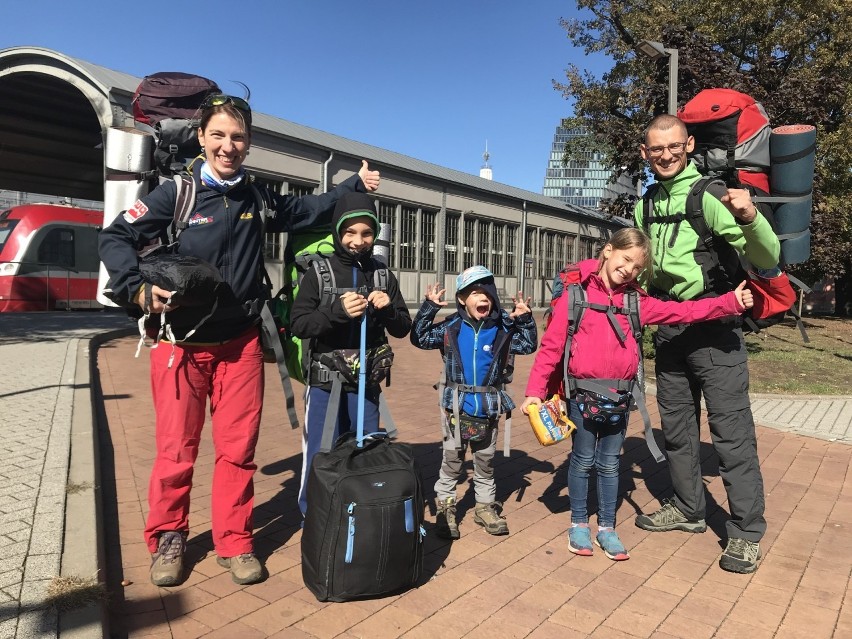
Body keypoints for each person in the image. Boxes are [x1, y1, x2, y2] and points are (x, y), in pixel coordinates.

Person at [98, 93, 381, 587]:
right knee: (175, 450)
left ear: (248, 143)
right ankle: (169, 537)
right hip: (180, 345)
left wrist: (351, 186)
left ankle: (234, 540)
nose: (228, 146)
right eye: (219, 136)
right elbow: (115, 236)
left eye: (238, 137)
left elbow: (303, 210)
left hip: (242, 344)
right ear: (202, 137)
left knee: (238, 449)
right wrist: (137, 290)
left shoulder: (255, 195)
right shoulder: (176, 194)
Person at [520, 227, 754, 561]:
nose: (629, 269)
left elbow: (682, 312)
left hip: (619, 398)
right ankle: (578, 525)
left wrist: (728, 302)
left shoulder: (635, 301)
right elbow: (551, 349)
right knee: (583, 460)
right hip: (581, 397)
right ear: (608, 250)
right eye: (626, 259)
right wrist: (534, 392)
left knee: (611, 465)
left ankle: (608, 529)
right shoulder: (575, 295)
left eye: (637, 267)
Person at [632, 114, 781, 574]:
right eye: (656, 149)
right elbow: (642, 268)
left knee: (731, 435)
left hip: (717, 330)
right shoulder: (646, 205)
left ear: (688, 144)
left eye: (674, 146)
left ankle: (746, 531)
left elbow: (768, 257)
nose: (666, 155)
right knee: (676, 431)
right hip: (672, 328)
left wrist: (751, 217)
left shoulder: (710, 196)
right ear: (645, 153)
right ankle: (689, 508)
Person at [289, 192, 411, 516]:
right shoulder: (319, 273)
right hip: (325, 384)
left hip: (366, 385)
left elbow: (402, 328)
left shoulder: (383, 274)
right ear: (338, 231)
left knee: (366, 449)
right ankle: (314, 519)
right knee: (321, 452)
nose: (358, 240)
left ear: (375, 234)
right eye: (350, 232)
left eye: (367, 233)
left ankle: (360, 518)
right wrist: (335, 311)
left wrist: (387, 311)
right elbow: (298, 324)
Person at [410, 266, 537, 538]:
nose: (483, 299)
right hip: (456, 406)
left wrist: (525, 319)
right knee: (452, 462)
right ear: (461, 299)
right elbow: (419, 338)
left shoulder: (502, 327)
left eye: (487, 293)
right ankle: (446, 508)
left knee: (485, 461)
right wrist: (429, 308)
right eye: (475, 293)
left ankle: (484, 507)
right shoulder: (451, 327)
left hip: (488, 406)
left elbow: (527, 345)